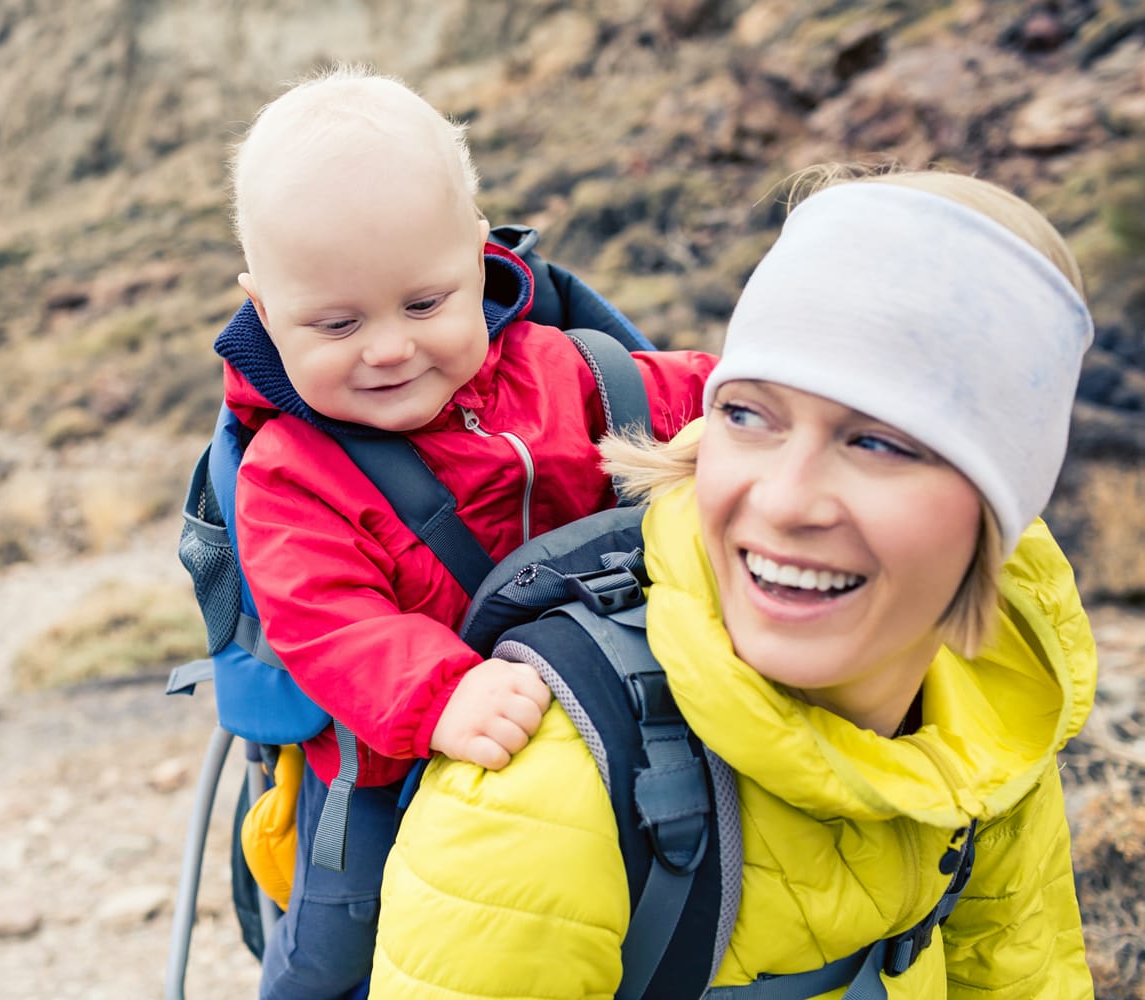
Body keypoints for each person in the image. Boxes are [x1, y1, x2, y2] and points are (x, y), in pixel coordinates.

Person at [370, 167, 1098, 998]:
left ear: (1002, 503)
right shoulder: (540, 797)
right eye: (749, 416)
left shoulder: (993, 709)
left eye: (880, 443)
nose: (784, 501)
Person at [214, 64, 718, 999]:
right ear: (262, 305)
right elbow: (327, 620)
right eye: (335, 322)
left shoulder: (567, 371)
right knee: (342, 936)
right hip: (390, 756)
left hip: (618, 703)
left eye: (425, 303)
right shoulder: (291, 470)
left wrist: (773, 402)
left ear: (476, 254)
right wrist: (439, 692)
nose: (390, 347)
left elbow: (704, 394)